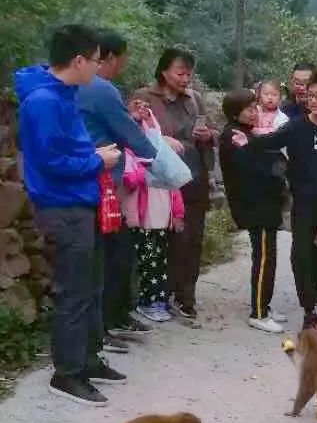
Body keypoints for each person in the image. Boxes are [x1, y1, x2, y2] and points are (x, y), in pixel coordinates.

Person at [16, 24, 125, 404]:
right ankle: (68, 372)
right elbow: (51, 161)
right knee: (73, 291)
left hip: (84, 200)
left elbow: (69, 148)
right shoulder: (43, 102)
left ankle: (89, 358)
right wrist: (96, 159)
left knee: (92, 285)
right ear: (78, 60)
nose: (98, 67)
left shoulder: (66, 94)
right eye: (96, 60)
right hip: (62, 206)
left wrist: (95, 157)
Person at [242, 69, 317, 337]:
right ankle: (309, 310)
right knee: (303, 255)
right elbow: (269, 141)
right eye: (310, 96)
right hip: (305, 203)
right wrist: (243, 139)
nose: (313, 101)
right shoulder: (297, 127)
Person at [76, 30, 159, 342]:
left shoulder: (76, 89)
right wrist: (161, 157)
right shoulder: (100, 88)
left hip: (91, 183)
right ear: (107, 58)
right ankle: (106, 326)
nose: (121, 66)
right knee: (111, 258)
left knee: (114, 254)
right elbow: (130, 136)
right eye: (121, 60)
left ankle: (113, 320)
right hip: (102, 185)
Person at [134, 49, 215, 322]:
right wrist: (160, 140)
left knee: (192, 240)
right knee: (161, 239)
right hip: (160, 180)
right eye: (180, 72)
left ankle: (185, 296)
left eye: (189, 73)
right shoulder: (145, 97)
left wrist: (207, 135)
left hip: (193, 176)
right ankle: (156, 296)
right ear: (164, 71)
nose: (185, 78)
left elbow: (212, 131)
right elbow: (132, 132)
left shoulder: (195, 99)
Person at [219, 90, 289, 334]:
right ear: (235, 112)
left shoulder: (247, 134)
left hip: (264, 205)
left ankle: (264, 305)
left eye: (254, 107)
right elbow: (253, 170)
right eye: (248, 108)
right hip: (255, 206)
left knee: (268, 256)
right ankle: (258, 312)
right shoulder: (234, 136)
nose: (254, 111)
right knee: (263, 258)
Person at [119, 108, 186, 326]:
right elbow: (130, 179)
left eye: (148, 117)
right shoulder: (130, 152)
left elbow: (175, 187)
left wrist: (177, 214)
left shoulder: (161, 150)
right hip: (142, 220)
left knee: (159, 261)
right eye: (139, 120)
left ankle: (158, 300)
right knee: (146, 261)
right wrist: (143, 163)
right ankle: (145, 301)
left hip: (161, 221)